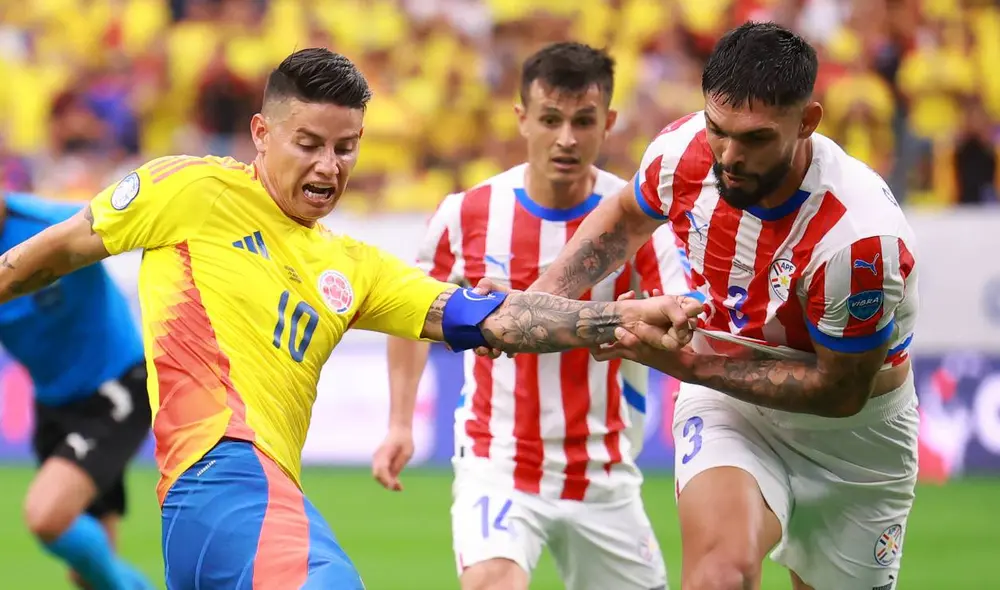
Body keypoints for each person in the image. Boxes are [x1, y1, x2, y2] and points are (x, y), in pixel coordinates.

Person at [0, 48, 700, 589]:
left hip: (224, 508)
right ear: (261, 132)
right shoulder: (187, 189)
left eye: (346, 147)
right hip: (228, 477)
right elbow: (45, 256)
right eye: (308, 143)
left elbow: (498, 318)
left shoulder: (357, 268)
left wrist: (615, 320)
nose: (330, 167)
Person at [521, 22, 919, 590]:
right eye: (718, 129)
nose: (729, 156)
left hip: (854, 440)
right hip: (730, 404)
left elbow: (839, 391)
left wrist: (685, 363)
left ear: (807, 121)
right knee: (720, 575)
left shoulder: (857, 243)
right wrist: (535, 303)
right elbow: (627, 218)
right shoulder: (684, 152)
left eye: (755, 139)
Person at [376, 42, 687, 590]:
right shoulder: (467, 212)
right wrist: (401, 422)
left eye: (583, 121)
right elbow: (410, 311)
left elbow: (678, 323)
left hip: (603, 471)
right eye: (550, 119)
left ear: (608, 122)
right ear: (522, 118)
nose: (566, 138)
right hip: (497, 462)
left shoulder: (635, 220)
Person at [0, 192, 153, 590]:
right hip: (53, 404)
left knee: (47, 516)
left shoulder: (51, 223)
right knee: (88, 575)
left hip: (117, 386)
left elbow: (140, 224)